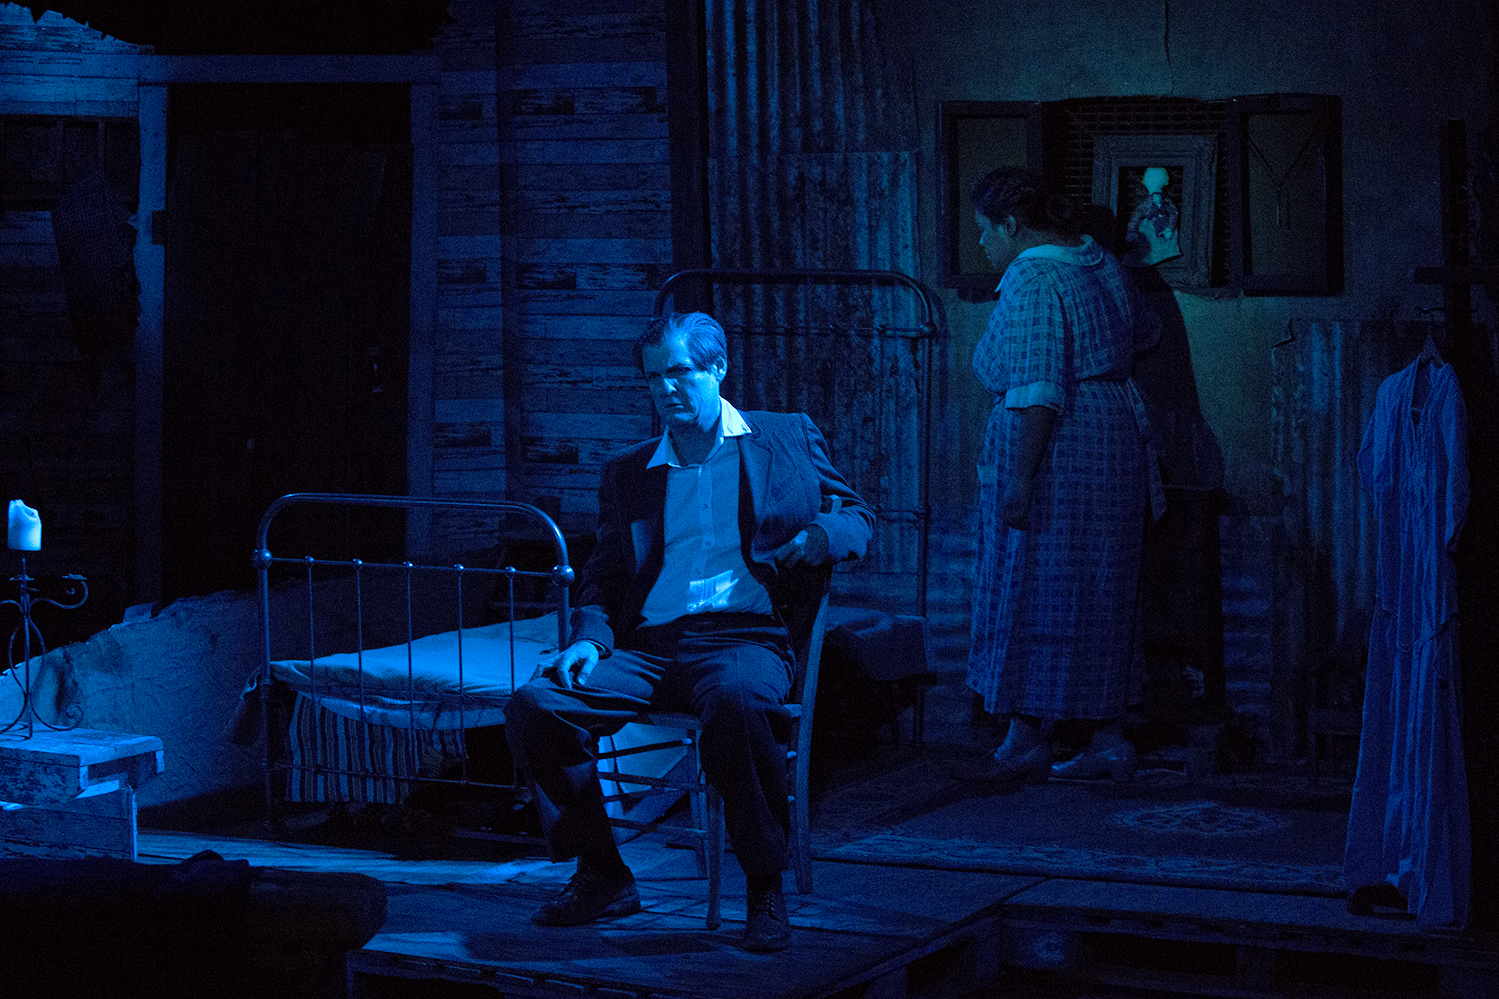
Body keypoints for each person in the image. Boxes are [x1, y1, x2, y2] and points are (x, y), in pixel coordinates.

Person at [505, 311, 874, 952]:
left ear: (717, 367)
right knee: (536, 706)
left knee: (739, 703)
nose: (666, 390)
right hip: (650, 647)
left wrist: (821, 535)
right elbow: (603, 574)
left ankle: (763, 885)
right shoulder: (629, 471)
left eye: (679, 373)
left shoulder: (785, 436)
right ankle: (603, 872)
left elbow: (858, 514)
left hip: (745, 638)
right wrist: (589, 638)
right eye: (654, 378)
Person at [955, 166, 1162, 786]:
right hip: (1112, 436)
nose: (981, 244)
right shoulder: (1098, 262)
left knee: (1033, 581)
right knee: (1100, 586)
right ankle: (1106, 737)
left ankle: (1025, 737)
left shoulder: (1035, 276)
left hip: (1061, 449)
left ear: (1012, 225)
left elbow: (1039, 388)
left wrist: (1020, 481)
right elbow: (1143, 333)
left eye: (985, 231)